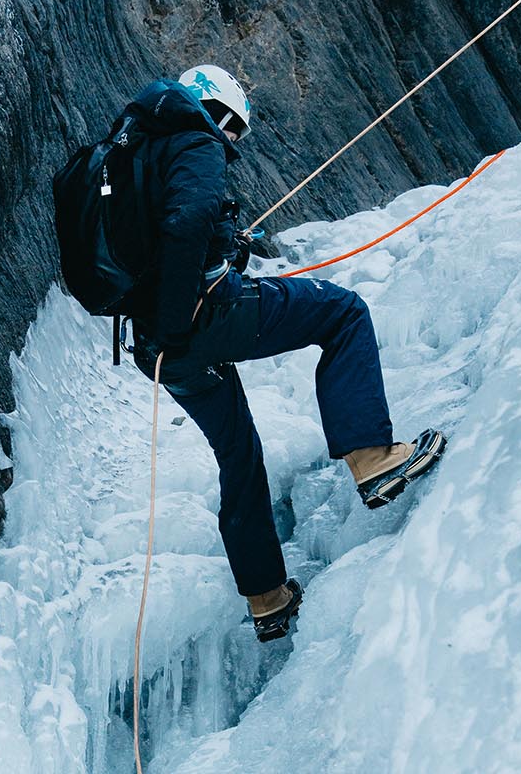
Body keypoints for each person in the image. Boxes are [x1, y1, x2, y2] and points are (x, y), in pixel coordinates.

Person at [124, 64, 446, 642]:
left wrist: (214, 264)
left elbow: (170, 234)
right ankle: (372, 460)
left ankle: (268, 599)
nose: (233, 143)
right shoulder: (195, 139)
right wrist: (195, 301)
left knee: (239, 455)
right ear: (214, 110)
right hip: (200, 321)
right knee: (343, 312)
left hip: (159, 350)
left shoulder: (135, 149)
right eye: (234, 131)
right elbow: (189, 220)